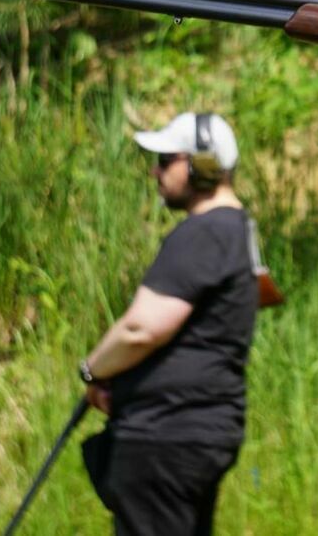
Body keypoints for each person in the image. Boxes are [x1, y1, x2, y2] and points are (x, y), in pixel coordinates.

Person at [79, 112, 258, 536]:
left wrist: (93, 370)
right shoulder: (235, 229)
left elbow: (142, 328)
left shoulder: (205, 232)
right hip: (191, 433)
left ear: (203, 164)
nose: (155, 170)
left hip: (166, 437)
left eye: (165, 159)